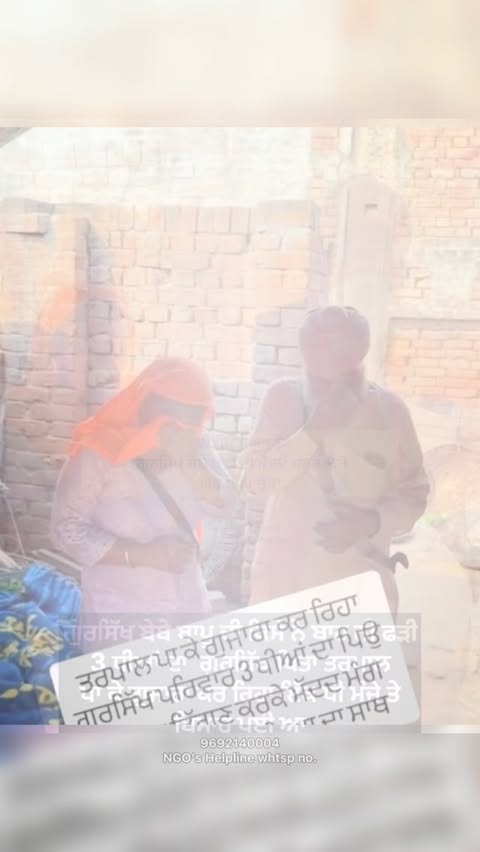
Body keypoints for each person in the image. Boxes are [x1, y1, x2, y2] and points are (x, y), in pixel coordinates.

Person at [242, 305, 429, 613]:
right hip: (285, 585)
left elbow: (414, 494)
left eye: (335, 346)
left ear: (359, 350)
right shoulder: (282, 398)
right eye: (313, 344)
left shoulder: (390, 411)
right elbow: (256, 481)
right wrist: (314, 430)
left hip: (358, 586)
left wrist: (371, 522)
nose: (322, 354)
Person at [50, 357, 237, 649]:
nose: (180, 426)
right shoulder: (98, 451)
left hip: (185, 602)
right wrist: (143, 555)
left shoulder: (196, 444)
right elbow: (65, 530)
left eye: (192, 416)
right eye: (171, 414)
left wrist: (188, 461)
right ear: (145, 403)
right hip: (119, 613)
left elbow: (226, 506)